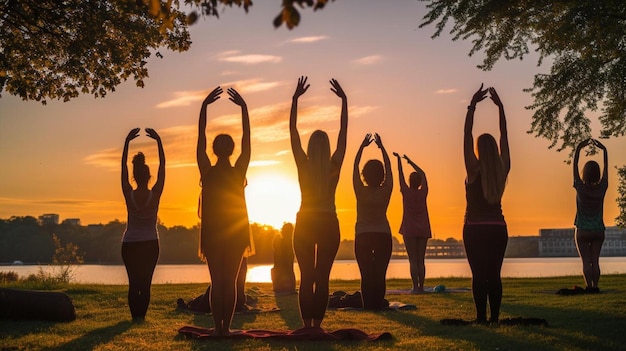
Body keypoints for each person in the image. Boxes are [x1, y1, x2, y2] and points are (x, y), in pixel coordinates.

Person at [290, 76, 348, 328]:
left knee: (306, 276)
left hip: (305, 221)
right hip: (327, 222)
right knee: (322, 277)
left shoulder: (303, 165)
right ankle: (317, 326)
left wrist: (295, 101)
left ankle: (307, 326)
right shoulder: (334, 165)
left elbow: (292, 133)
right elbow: (343, 133)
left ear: (311, 147)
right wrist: (344, 102)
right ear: (327, 148)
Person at [197, 86, 252, 336]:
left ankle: (219, 327)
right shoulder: (238, 171)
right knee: (229, 282)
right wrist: (244, 110)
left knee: (216, 282)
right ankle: (225, 328)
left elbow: (200, 138)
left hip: (213, 233)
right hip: (235, 233)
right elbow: (247, 142)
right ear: (230, 150)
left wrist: (204, 108)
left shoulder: (207, 172)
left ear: (214, 150)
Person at [463, 84, 510, 324]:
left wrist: (472, 107)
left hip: (475, 229)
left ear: (479, 150)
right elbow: (504, 137)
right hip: (498, 229)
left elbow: (466, 136)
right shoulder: (502, 170)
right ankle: (495, 318)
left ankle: (481, 318)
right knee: (495, 275)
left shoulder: (473, 169)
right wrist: (501, 109)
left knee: (479, 275)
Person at [120, 127, 165, 322]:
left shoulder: (128, 193)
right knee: (145, 283)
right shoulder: (154, 195)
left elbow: (123, 167)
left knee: (134, 282)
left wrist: (127, 143)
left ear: (134, 177)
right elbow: (163, 167)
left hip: (129, 244)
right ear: (149, 177)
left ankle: (134, 318)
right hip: (150, 243)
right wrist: (159, 142)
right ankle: (140, 319)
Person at [353, 133, 393, 309]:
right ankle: (377, 303)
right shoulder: (386, 190)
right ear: (382, 175)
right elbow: (389, 168)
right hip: (383, 234)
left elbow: (354, 167)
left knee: (366, 274)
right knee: (379, 273)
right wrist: (382, 148)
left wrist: (362, 147)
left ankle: (368, 305)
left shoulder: (360, 191)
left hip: (363, 235)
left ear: (364, 175)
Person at [393, 152, 432, 293]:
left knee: (413, 260)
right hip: (422, 228)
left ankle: (415, 287)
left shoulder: (406, 192)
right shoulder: (423, 192)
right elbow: (423, 173)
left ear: (410, 182)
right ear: (420, 182)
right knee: (420, 260)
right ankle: (421, 286)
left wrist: (399, 162)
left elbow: (400, 175)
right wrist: (410, 161)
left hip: (409, 229)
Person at [573, 138, 608, 292]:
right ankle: (595, 286)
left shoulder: (580, 187)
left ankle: (589, 287)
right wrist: (604, 150)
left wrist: (579, 149)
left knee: (586, 262)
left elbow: (574, 166)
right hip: (598, 230)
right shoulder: (602, 187)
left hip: (582, 231)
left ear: (584, 173)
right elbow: (606, 169)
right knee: (595, 260)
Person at [271, 223, 296, 295]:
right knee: (289, 270)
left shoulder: (278, 242)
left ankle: (281, 286)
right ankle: (287, 286)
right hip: (285, 279)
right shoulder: (290, 243)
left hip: (278, 280)